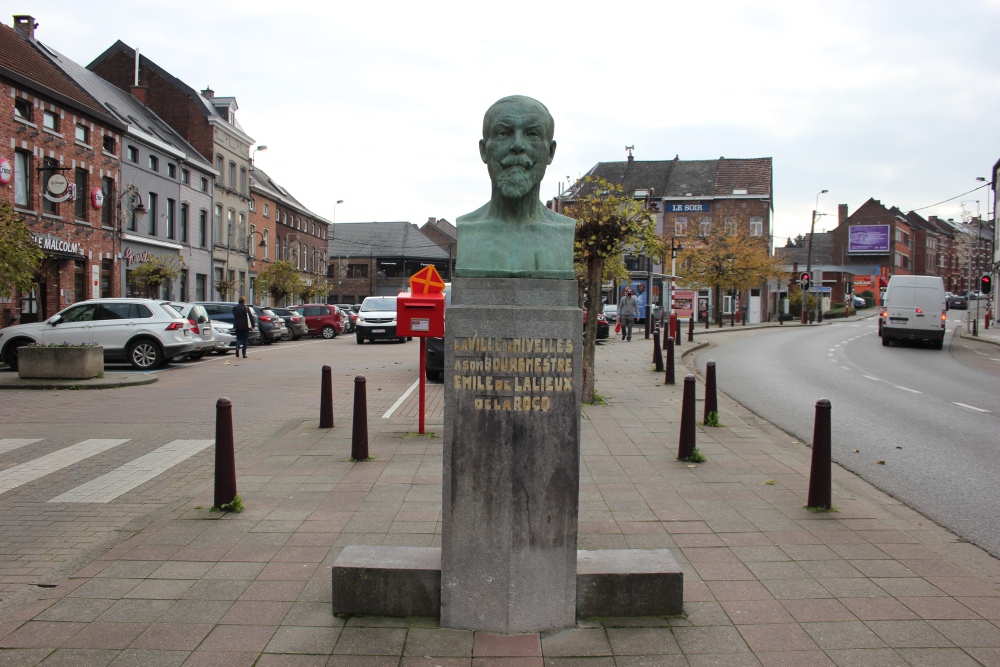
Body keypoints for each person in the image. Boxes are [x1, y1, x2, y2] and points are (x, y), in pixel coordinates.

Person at [455, 95, 576, 279]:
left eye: (532, 134)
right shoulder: (467, 230)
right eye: (503, 133)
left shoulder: (563, 232)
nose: (518, 145)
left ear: (550, 152)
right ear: (483, 150)